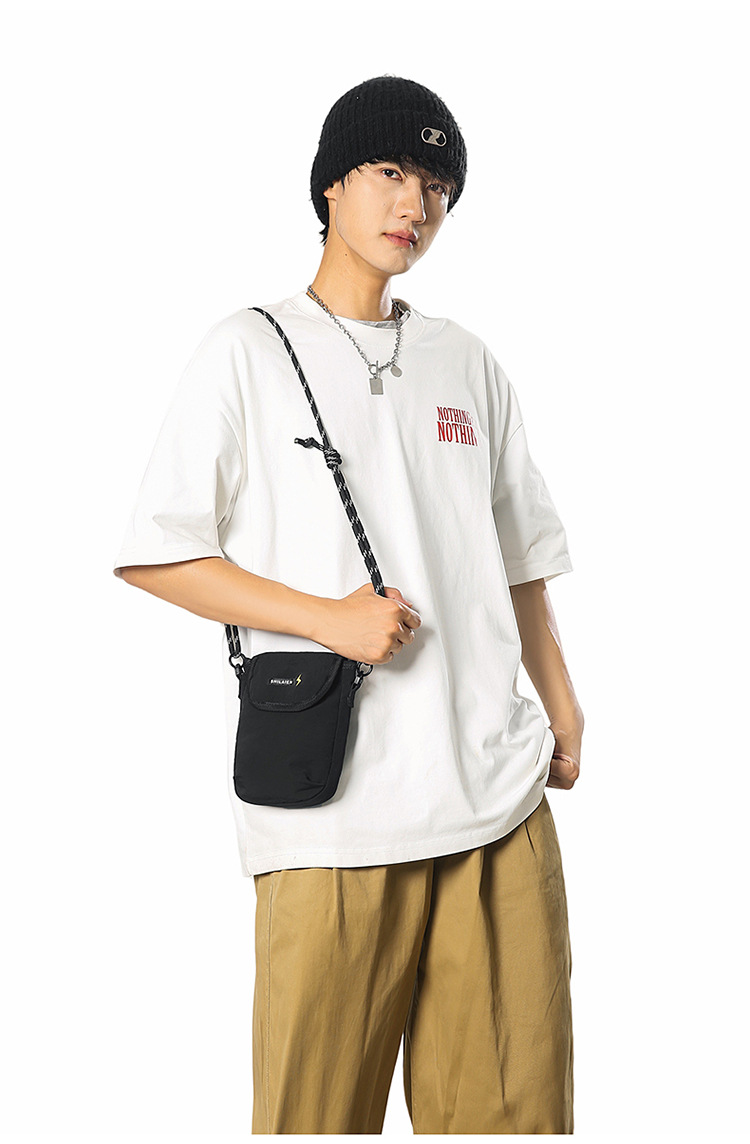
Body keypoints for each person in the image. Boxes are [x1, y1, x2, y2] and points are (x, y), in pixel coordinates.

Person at [112, 74, 583, 1135]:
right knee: (313, 1121)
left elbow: (522, 555)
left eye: (438, 187)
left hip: (496, 806)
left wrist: (563, 704)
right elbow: (158, 553)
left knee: (518, 1119)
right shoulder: (247, 349)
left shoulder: (467, 361)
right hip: (331, 819)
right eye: (390, 172)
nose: (415, 203)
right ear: (331, 182)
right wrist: (327, 618)